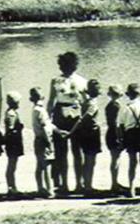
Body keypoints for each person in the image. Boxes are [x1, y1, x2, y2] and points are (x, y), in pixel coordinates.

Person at [48, 51, 88, 193]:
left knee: (77, 150)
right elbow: (51, 100)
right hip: (60, 114)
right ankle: (64, 184)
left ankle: (79, 183)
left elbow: (85, 102)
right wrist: (48, 120)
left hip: (75, 114)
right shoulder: (56, 81)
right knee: (61, 152)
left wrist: (83, 118)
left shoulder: (82, 81)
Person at [68, 78, 102, 193]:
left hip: (84, 132)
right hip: (91, 132)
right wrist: (72, 131)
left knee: (86, 159)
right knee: (90, 160)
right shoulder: (92, 103)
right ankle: (88, 186)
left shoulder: (85, 101)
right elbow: (84, 118)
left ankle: (82, 184)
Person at [30, 87, 58, 198]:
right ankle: (49, 190)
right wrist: (49, 142)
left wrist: (59, 131)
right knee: (47, 166)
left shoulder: (35, 109)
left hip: (38, 139)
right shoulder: (40, 110)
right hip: (44, 139)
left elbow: (48, 124)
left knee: (39, 165)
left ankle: (40, 187)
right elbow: (45, 127)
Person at [104, 84, 125, 193]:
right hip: (115, 133)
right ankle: (114, 184)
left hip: (109, 132)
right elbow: (116, 123)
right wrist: (120, 136)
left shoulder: (109, 105)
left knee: (114, 159)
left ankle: (114, 182)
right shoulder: (117, 106)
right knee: (116, 159)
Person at [3, 91, 25, 197]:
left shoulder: (10, 112)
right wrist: (19, 128)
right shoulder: (11, 113)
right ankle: (11, 187)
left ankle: (12, 186)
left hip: (12, 142)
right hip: (13, 143)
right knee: (12, 165)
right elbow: (11, 129)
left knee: (12, 165)